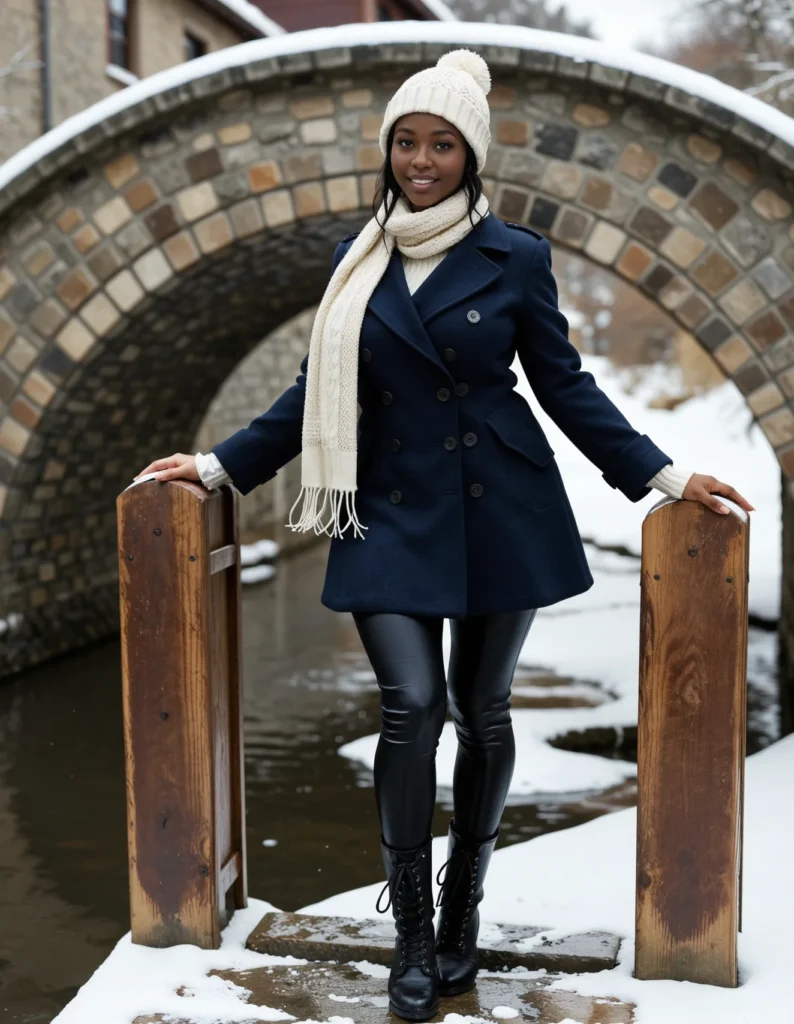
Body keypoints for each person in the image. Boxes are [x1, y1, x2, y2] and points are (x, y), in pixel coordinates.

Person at [134, 49, 754, 1022]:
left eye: (441, 143)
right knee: (408, 705)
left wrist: (661, 474)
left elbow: (564, 386)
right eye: (406, 142)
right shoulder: (357, 257)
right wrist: (217, 467)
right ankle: (414, 932)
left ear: (470, 154)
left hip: (495, 506)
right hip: (384, 509)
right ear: (387, 150)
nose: (420, 159)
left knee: (482, 710)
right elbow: (314, 395)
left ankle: (467, 894)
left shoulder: (517, 257)